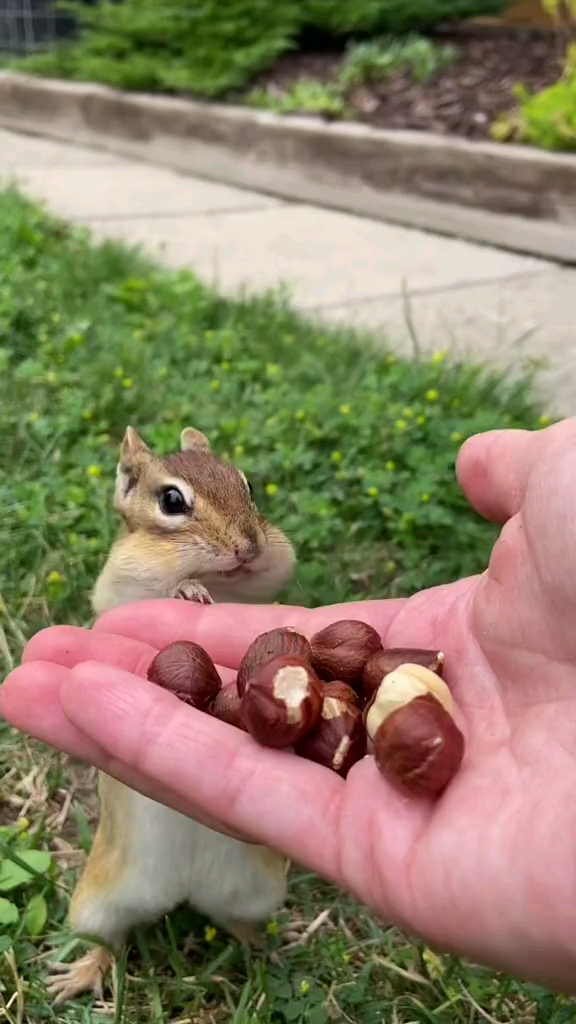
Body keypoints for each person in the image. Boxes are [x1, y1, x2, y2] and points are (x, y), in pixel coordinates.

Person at [2, 422, 576, 995]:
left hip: (235, 805)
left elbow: (265, 568)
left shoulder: (244, 553)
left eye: (245, 499)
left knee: (249, 888)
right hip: (141, 813)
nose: (242, 541)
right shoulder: (138, 559)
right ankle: (100, 957)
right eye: (177, 504)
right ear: (130, 488)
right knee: (111, 898)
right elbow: (116, 607)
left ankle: (243, 927)